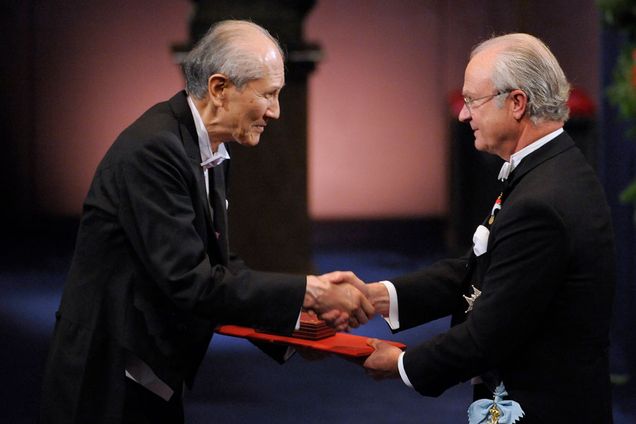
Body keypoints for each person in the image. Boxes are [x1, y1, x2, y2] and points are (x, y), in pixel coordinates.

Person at [40, 20, 373, 424]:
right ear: (219, 89)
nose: (276, 111)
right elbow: (191, 282)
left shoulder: (206, 147)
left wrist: (294, 326)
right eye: (268, 94)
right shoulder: (153, 151)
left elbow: (222, 267)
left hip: (149, 373)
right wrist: (310, 291)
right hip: (106, 381)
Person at [362, 33, 616, 423]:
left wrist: (402, 363)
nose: (464, 115)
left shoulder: (542, 200)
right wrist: (379, 296)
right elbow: (479, 268)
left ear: (517, 103)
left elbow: (489, 334)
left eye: (472, 101)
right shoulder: (550, 168)